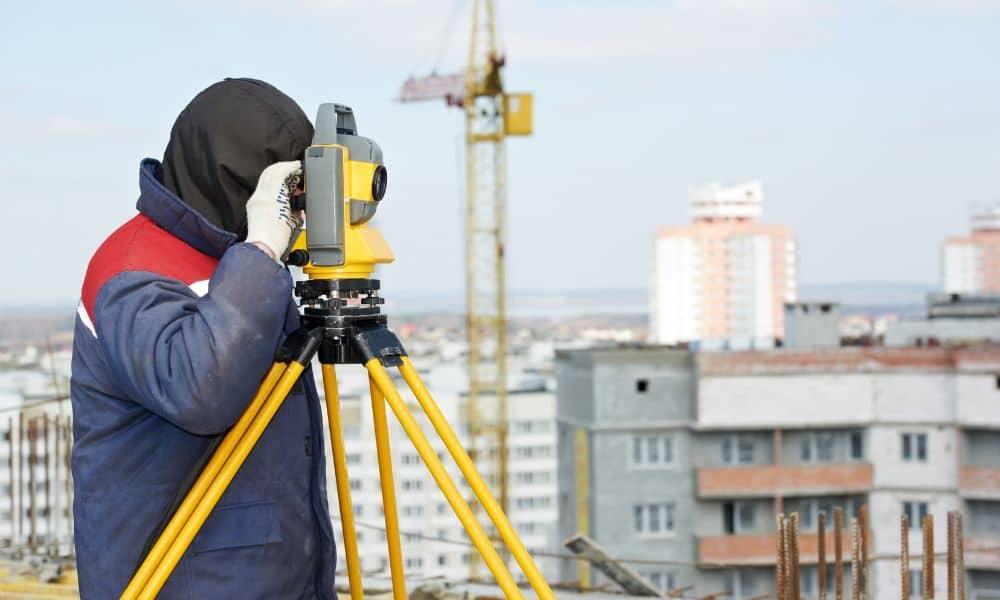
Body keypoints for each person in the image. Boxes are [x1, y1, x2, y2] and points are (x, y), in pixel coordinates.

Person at [70, 78, 336, 598]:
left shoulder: (235, 261)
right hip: (178, 580)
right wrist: (261, 246)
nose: (296, 212)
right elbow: (201, 391)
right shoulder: (134, 270)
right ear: (239, 182)